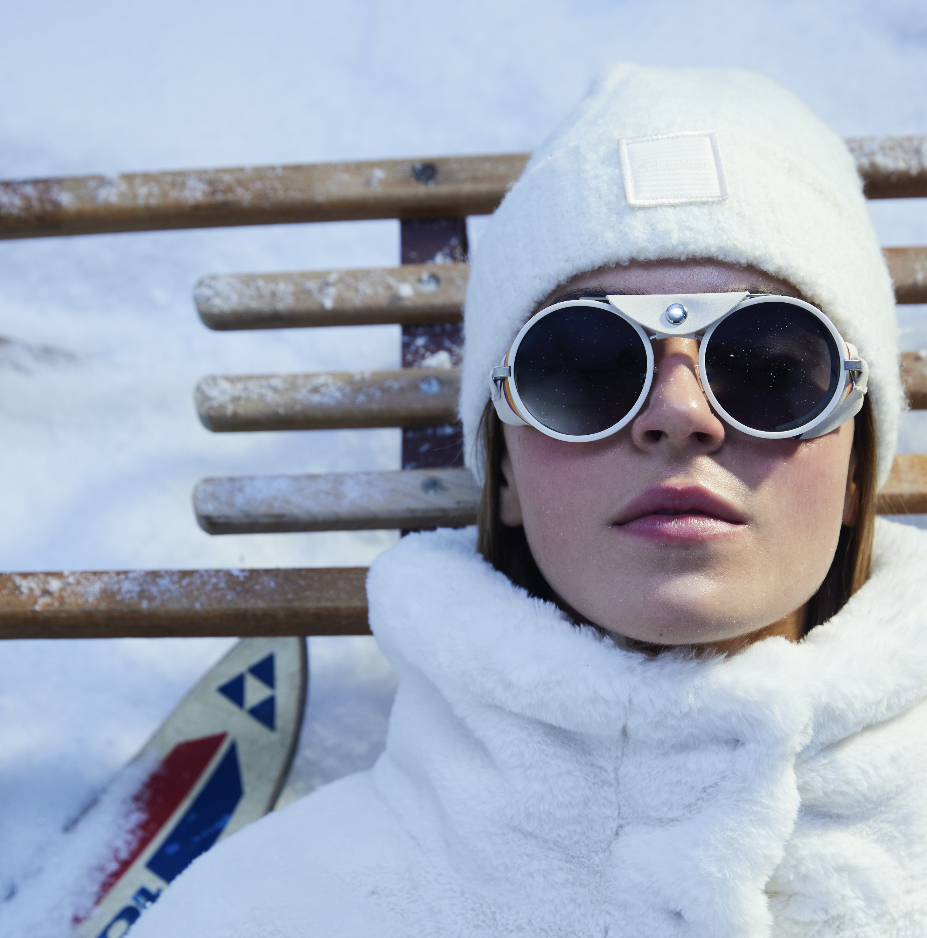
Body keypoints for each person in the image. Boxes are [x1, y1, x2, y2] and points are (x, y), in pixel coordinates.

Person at [132, 63, 927, 938]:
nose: (678, 415)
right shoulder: (262, 913)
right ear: (502, 470)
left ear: (858, 467)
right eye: (585, 367)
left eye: (771, 368)